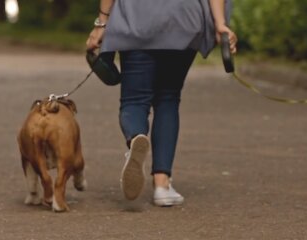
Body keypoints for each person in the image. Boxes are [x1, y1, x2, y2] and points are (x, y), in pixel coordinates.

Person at [86, 0, 238, 207]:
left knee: (134, 100)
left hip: (136, 17)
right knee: (168, 98)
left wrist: (101, 23)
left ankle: (136, 137)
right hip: (183, 18)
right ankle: (162, 185)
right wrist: (220, 24)